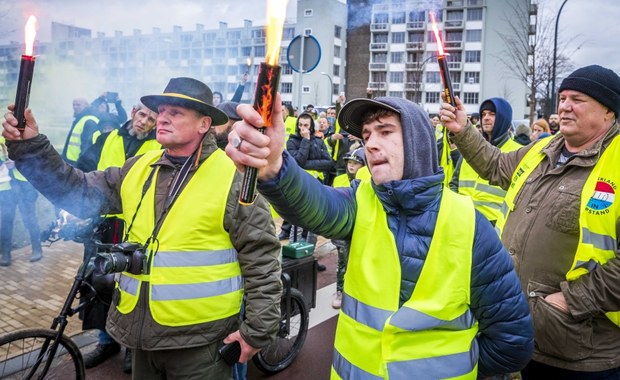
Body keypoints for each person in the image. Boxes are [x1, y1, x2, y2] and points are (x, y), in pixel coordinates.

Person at [226, 95, 534, 379]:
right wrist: (275, 167)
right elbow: (315, 204)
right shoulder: (360, 202)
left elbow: (512, 342)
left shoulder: (470, 225)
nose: (370, 144)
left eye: (385, 132)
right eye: (367, 135)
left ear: (417, 143)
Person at [3, 77, 282, 379]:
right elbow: (76, 190)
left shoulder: (233, 176)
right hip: (142, 340)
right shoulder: (138, 167)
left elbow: (262, 255)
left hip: (201, 347)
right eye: (161, 110)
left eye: (175, 113)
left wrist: (256, 332)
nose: (162, 117)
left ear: (204, 124)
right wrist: (29, 146)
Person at [440, 64, 620, 379]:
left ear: (608, 111)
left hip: (582, 351)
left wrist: (569, 301)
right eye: (563, 97)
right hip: (525, 334)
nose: (564, 106)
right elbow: (495, 166)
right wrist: (462, 130)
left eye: (577, 99)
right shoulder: (543, 149)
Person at [76, 101, 160, 373]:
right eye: (143, 115)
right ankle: (106, 341)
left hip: (136, 228)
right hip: (103, 225)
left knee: (131, 287)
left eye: (151, 119)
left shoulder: (159, 148)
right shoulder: (107, 138)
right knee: (97, 284)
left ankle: (132, 348)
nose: (144, 122)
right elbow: (83, 171)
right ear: (134, 112)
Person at [449, 98, 522, 225]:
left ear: (504, 119)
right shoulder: (469, 148)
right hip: (463, 220)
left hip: (494, 224)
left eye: (492, 114)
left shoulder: (517, 152)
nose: (486, 118)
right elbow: (454, 183)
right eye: (483, 114)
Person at [330, 147, 366, 309]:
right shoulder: (339, 180)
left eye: (356, 163)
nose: (351, 166)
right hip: (343, 231)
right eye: (349, 163)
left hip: (361, 230)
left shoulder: (368, 182)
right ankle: (340, 290)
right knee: (342, 262)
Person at [0, 137, 43, 266]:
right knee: (6, 221)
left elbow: (35, 160)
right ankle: (5, 253)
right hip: (6, 186)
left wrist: (16, 163)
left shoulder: (27, 137)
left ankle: (37, 249)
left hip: (25, 186)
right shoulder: (2, 138)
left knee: (29, 218)